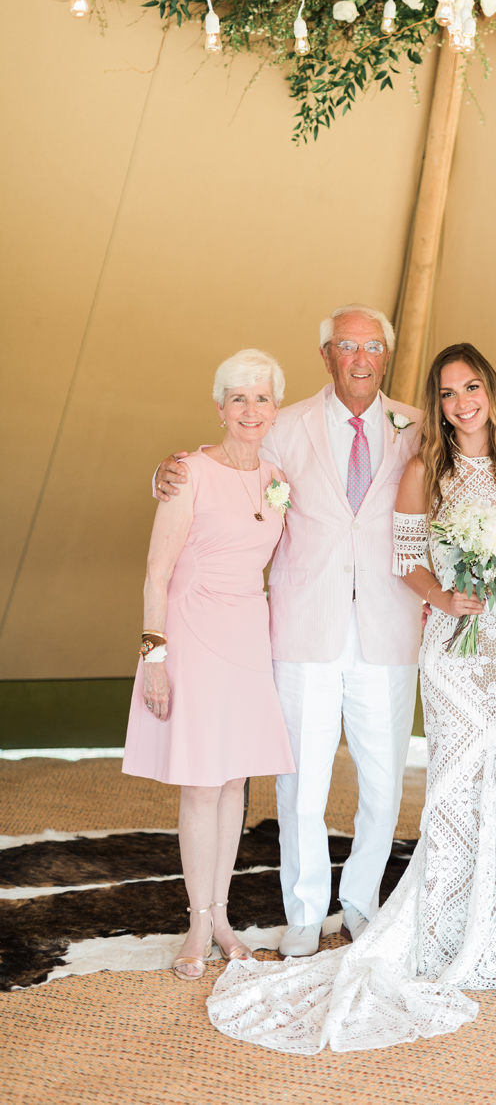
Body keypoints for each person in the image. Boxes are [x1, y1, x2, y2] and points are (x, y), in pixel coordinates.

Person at [206, 343, 496, 1053]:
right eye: (448, 393)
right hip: (449, 646)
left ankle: (493, 929)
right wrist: (447, 596)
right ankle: (429, 927)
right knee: (450, 786)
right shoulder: (423, 465)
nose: (461, 403)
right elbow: (407, 555)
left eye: (471, 388)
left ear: (491, 391)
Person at [154, 305, 423, 957]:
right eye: (346, 345)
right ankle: (303, 911)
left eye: (372, 346)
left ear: (386, 357)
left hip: (389, 627)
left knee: (383, 783)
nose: (360, 358)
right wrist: (164, 477)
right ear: (326, 355)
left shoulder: (417, 425)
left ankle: (361, 904)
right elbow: (228, 469)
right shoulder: (285, 422)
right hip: (302, 628)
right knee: (300, 784)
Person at [123, 349, 296, 979]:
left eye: (262, 398)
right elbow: (156, 572)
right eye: (238, 398)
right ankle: (197, 924)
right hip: (192, 635)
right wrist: (155, 657)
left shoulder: (278, 478)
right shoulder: (188, 473)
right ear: (220, 407)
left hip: (248, 640)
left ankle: (223, 919)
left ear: (276, 408)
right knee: (200, 784)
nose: (251, 410)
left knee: (232, 784)